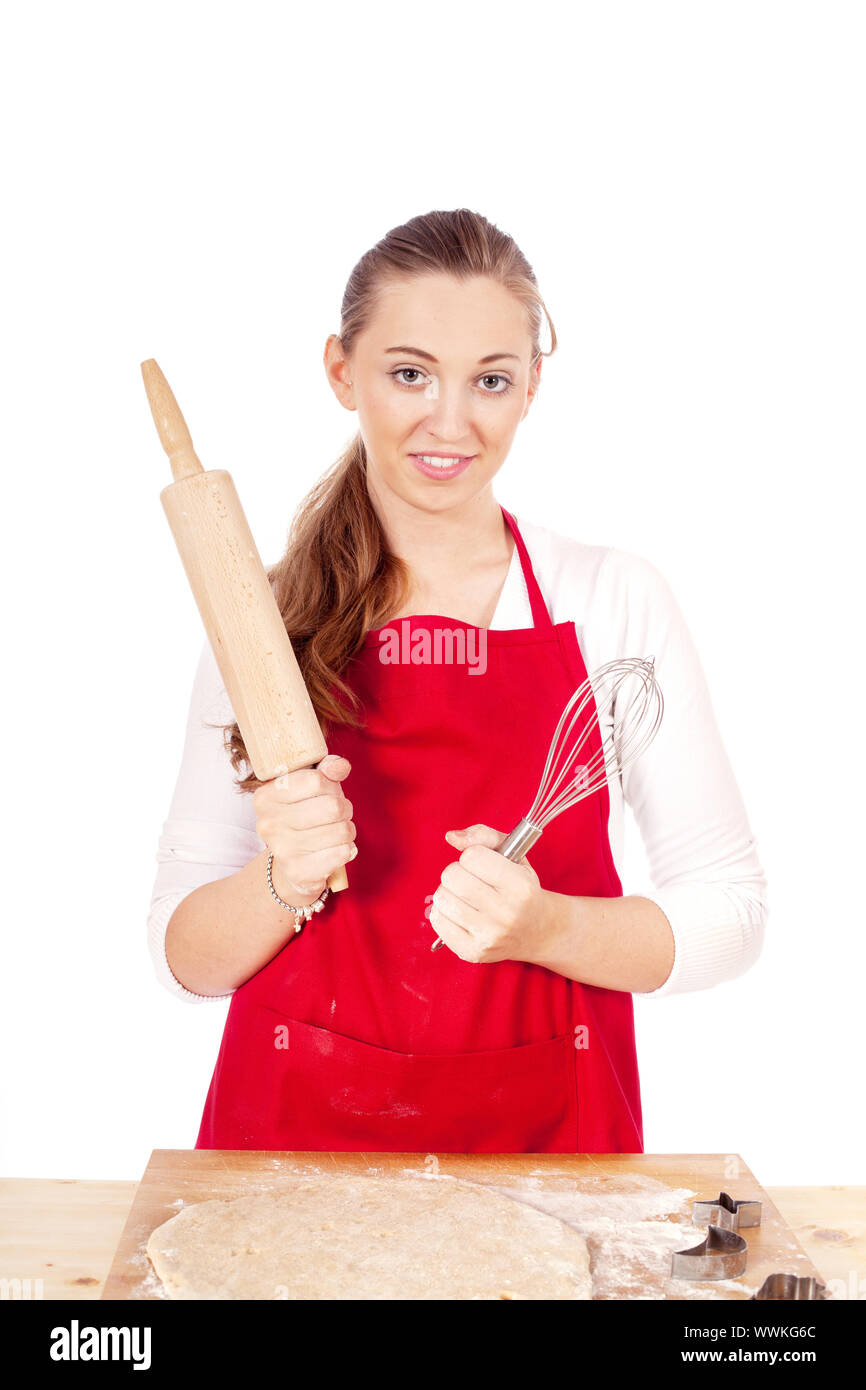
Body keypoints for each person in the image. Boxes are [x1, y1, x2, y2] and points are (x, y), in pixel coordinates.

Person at [147, 208, 767, 1153]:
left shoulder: (609, 599)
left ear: (531, 389)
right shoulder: (261, 619)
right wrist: (283, 878)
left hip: (547, 1146)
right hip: (293, 1155)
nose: (450, 421)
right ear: (340, 371)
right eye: (408, 373)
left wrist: (546, 927)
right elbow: (182, 959)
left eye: (489, 380)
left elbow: (732, 911)